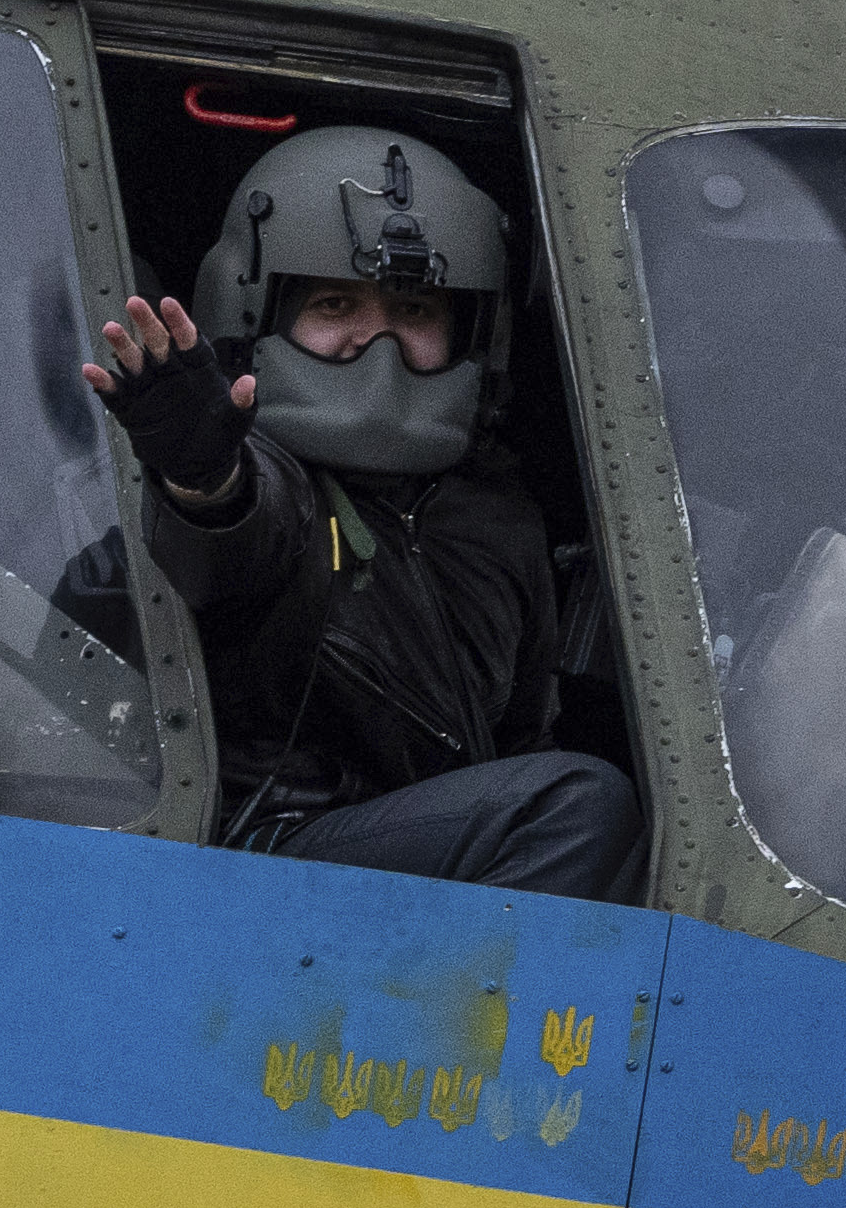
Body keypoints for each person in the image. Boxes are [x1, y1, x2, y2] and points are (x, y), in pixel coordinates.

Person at [83, 121, 641, 897]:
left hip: (413, 866)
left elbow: (523, 739)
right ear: (259, 316)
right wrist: (202, 472)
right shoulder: (273, 480)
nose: (372, 342)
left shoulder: (500, 518)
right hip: (261, 867)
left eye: (414, 311)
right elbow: (234, 528)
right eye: (335, 304)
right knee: (575, 805)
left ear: (470, 332)